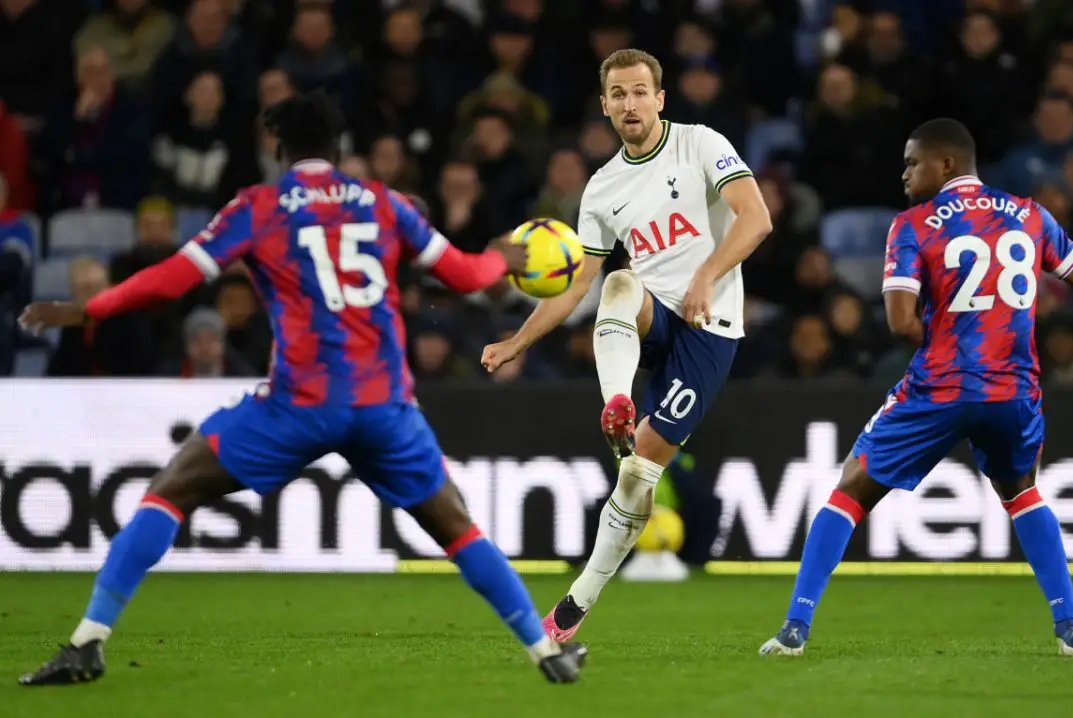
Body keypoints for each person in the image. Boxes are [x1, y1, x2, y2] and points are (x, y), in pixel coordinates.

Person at [17, 91, 587, 686]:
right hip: (385, 405)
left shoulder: (259, 206)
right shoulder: (384, 203)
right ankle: (543, 649)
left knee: (171, 490)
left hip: (299, 405)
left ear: (279, 148)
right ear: (339, 150)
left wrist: (93, 308)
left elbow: (172, 279)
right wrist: (500, 257)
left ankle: (88, 642)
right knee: (457, 526)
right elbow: (468, 276)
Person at [758, 118, 1073, 658]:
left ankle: (794, 628)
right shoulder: (1029, 213)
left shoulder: (914, 225)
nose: (904, 174)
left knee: (851, 487)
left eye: (911, 162)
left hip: (942, 386)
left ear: (946, 163)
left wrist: (949, 344)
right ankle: (1072, 629)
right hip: (1013, 390)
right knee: (1022, 492)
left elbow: (901, 322)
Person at [480, 49, 772, 641]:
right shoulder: (602, 188)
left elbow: (756, 219)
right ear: (606, 105)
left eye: (640, 91)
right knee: (617, 280)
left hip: (709, 330)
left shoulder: (701, 144)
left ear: (660, 99)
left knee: (638, 476)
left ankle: (575, 604)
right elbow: (576, 285)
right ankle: (617, 403)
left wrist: (705, 276)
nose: (630, 103)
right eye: (618, 94)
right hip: (652, 314)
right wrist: (519, 340)